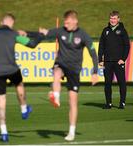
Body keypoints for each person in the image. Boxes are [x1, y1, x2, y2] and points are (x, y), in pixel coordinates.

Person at [28, 10, 98, 141]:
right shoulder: (60, 31)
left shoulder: (83, 35)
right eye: (64, 22)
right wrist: (27, 33)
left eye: (68, 22)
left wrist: (95, 72)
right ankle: (56, 96)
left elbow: (93, 54)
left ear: (75, 21)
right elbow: (44, 33)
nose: (66, 25)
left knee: (73, 102)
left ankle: (71, 131)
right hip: (61, 63)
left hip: (75, 70)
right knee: (56, 72)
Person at [0, 13, 43, 142]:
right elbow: (32, 44)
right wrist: (41, 35)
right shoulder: (13, 34)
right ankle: (23, 109)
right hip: (11, 68)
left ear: (1, 23)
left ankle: (4, 132)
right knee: (19, 84)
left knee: (1, 103)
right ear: (12, 23)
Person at [98, 11, 130, 109]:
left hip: (118, 61)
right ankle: (109, 103)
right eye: (111, 18)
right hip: (107, 62)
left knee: (121, 82)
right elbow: (101, 46)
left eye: (115, 18)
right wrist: (100, 59)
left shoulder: (122, 30)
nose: (113, 20)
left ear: (118, 19)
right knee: (107, 83)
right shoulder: (105, 30)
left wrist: (123, 59)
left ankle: (122, 103)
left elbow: (127, 46)